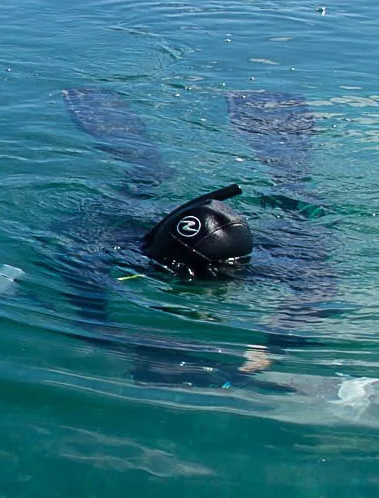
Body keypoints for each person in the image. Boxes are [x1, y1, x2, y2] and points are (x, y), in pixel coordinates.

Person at [56, 87, 341, 390]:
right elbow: (80, 268)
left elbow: (319, 287)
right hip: (161, 222)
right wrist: (100, 324)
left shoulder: (274, 257)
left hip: (264, 235)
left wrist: (271, 345)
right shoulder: (126, 243)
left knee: (293, 193)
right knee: (148, 178)